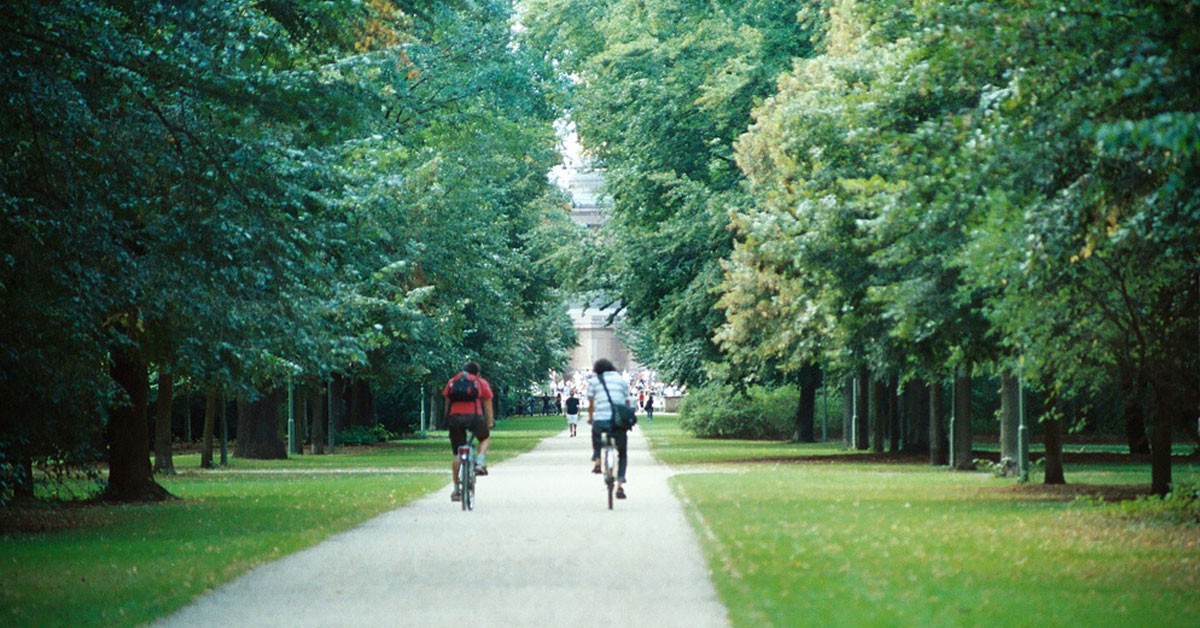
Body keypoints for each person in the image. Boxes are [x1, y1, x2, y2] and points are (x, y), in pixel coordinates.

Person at [442, 361, 495, 502]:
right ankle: (479, 462)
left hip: (455, 418)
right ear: (477, 373)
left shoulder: (452, 382)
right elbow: (488, 402)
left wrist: (446, 419)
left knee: (457, 453)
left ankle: (456, 490)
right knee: (484, 438)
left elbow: (447, 401)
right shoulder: (480, 382)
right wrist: (490, 421)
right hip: (475, 417)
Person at [587, 358, 631, 499]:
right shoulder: (621, 380)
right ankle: (620, 483)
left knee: (595, 432)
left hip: (600, 419)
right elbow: (627, 402)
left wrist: (590, 417)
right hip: (617, 421)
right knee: (622, 453)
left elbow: (591, 404)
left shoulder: (594, 381)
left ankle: (597, 458)